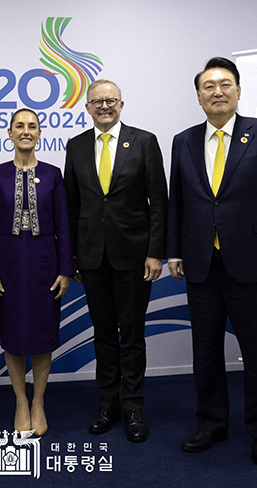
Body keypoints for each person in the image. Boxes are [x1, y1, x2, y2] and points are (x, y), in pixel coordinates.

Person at [167, 57, 257, 466]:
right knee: (204, 351)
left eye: (225, 84)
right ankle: (211, 423)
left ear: (239, 91)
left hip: (253, 259)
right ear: (199, 96)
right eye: (209, 86)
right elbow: (178, 201)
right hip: (201, 262)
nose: (217, 91)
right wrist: (174, 250)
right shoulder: (183, 140)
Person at [64, 79, 168, 443]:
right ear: (88, 108)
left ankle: (133, 406)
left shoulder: (144, 141)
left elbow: (159, 202)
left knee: (133, 335)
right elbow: (71, 206)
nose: (104, 106)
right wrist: (73, 257)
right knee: (104, 335)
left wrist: (156, 252)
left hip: (135, 257)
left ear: (121, 104)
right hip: (92, 258)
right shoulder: (75, 146)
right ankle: (107, 404)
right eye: (97, 102)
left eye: (110, 101)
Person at [0, 108, 73, 436]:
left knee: (42, 334)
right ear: (9, 132)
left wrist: (65, 269)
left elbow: (64, 226)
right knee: (14, 334)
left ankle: (39, 401)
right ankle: (20, 400)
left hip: (45, 263)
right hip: (8, 264)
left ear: (39, 133)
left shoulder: (52, 174)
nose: (26, 131)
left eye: (32, 126)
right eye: (19, 126)